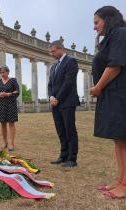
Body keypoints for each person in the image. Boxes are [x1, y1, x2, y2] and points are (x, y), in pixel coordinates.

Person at [91, 6, 126, 198]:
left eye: (96, 22)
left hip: (125, 92)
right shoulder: (111, 38)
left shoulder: (121, 33)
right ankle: (121, 180)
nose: (94, 27)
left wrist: (97, 87)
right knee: (118, 138)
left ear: (108, 19)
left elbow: (115, 65)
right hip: (113, 93)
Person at [48, 40, 80, 168]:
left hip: (67, 102)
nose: (51, 54)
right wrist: (51, 96)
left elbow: (69, 82)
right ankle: (63, 155)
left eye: (53, 51)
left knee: (69, 130)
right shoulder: (53, 66)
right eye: (50, 52)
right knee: (60, 130)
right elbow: (50, 84)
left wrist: (58, 98)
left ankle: (72, 158)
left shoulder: (71, 62)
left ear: (61, 49)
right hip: (55, 103)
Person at [0, 66, 19, 151]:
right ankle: (5, 142)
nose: (2, 74)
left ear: (8, 72)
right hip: (2, 104)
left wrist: (8, 94)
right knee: (3, 123)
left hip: (11, 104)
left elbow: (17, 91)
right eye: (1, 72)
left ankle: (11, 143)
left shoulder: (13, 81)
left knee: (11, 123)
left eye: (3, 72)